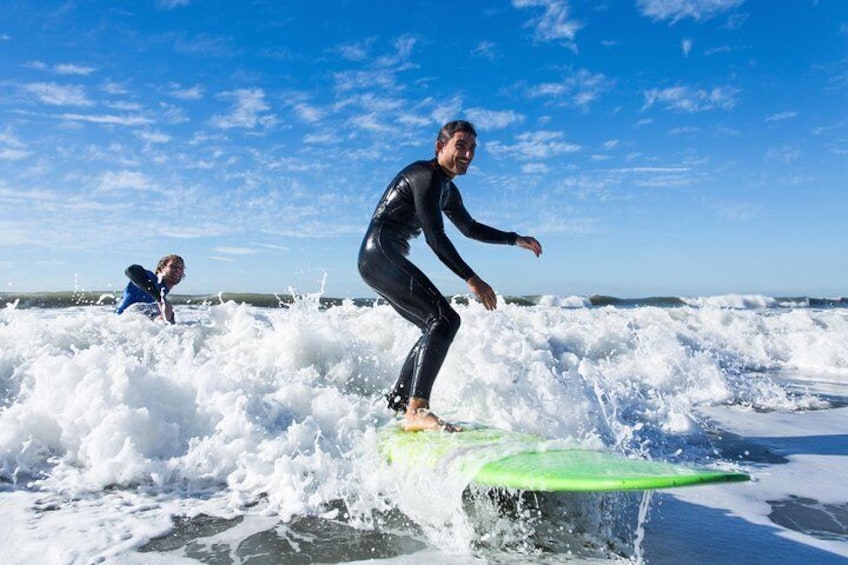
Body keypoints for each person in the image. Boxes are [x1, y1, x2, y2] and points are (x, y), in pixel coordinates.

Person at [358, 120, 542, 433]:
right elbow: (434, 236)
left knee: (433, 325)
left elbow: (470, 228)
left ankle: (400, 404)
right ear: (440, 146)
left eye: (472, 148)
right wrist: (472, 278)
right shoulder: (425, 176)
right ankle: (417, 410)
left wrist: (514, 238)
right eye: (460, 145)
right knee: (444, 320)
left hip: (379, 258)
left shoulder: (446, 189)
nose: (468, 153)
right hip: (380, 253)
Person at [115, 254, 185, 323]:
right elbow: (131, 270)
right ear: (161, 268)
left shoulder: (162, 300)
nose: (178, 270)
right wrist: (160, 299)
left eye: (181, 268)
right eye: (173, 266)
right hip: (118, 323)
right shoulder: (150, 278)